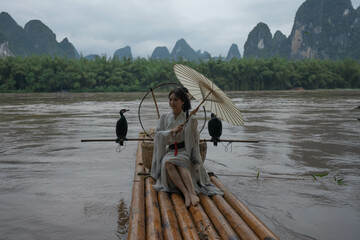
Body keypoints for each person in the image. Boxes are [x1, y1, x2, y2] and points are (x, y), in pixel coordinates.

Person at [150, 87, 222, 207]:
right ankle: (186, 193)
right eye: (170, 100)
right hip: (170, 151)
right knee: (168, 162)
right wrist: (171, 131)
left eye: (176, 100)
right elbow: (157, 135)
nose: (172, 103)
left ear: (183, 102)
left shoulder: (189, 117)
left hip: (184, 151)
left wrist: (191, 122)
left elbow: (192, 138)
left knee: (178, 163)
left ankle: (192, 193)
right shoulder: (164, 117)